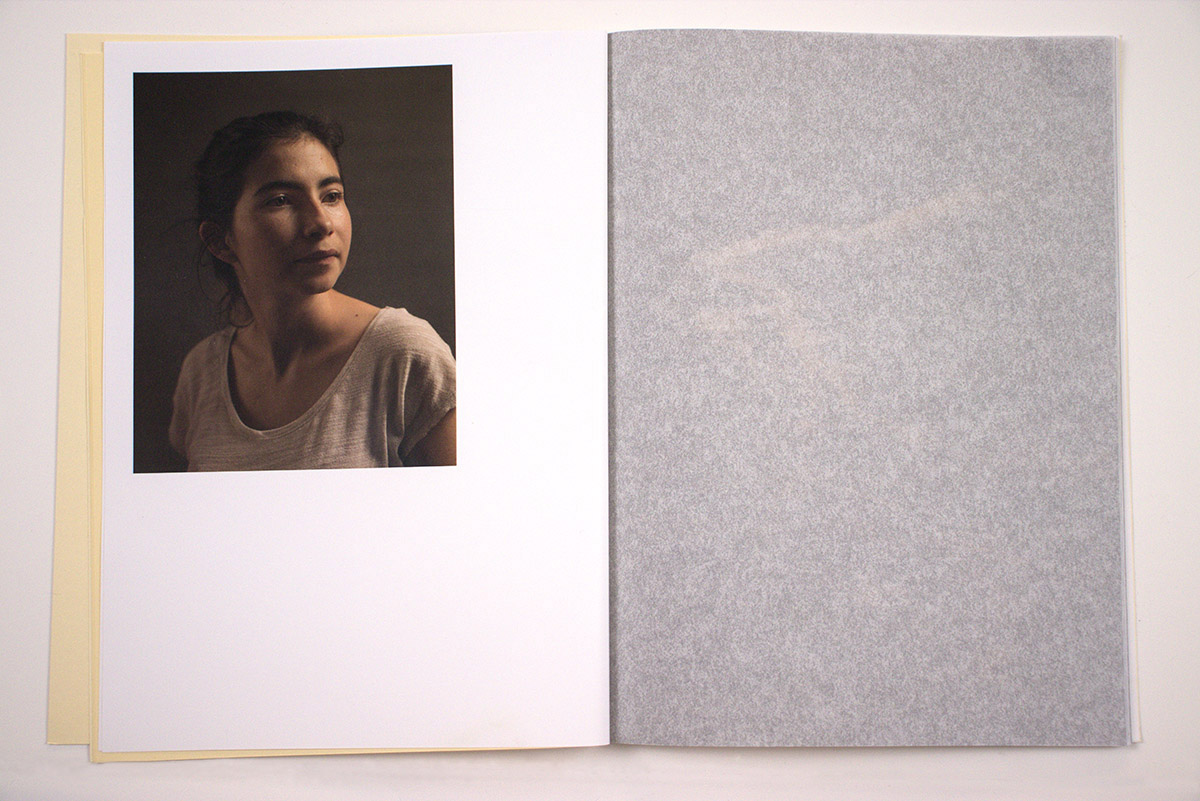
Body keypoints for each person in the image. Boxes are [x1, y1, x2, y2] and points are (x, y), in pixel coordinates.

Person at [169, 111, 456, 470]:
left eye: (331, 196)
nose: (320, 223)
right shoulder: (202, 373)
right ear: (220, 240)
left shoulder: (405, 355)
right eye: (280, 200)